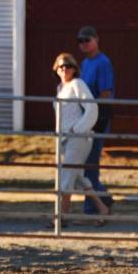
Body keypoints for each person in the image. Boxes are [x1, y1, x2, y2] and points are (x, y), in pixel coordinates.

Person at [51, 53, 110, 225]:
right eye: (61, 66)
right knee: (77, 177)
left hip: (78, 138)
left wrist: (78, 129)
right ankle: (103, 208)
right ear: (56, 68)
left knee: (66, 176)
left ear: (74, 68)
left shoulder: (78, 84)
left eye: (68, 65)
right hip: (63, 140)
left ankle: (61, 218)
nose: (64, 69)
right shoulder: (60, 89)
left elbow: (92, 108)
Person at [77, 25, 115, 216]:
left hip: (98, 118)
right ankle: (101, 199)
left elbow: (105, 93)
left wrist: (98, 119)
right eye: (80, 40)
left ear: (96, 40)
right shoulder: (85, 63)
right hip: (85, 118)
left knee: (91, 163)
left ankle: (94, 206)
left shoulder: (103, 63)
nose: (83, 43)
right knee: (85, 164)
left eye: (87, 39)